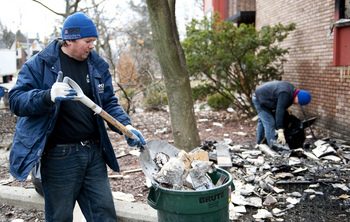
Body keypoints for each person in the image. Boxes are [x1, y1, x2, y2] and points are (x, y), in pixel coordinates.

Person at [8, 12, 146, 221]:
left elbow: (108, 102)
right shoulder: (40, 64)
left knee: (104, 215)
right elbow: (16, 100)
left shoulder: (97, 65)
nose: (92, 46)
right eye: (88, 41)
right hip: (59, 157)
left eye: (94, 41)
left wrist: (127, 126)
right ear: (69, 39)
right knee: (60, 217)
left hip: (93, 153)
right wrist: (47, 96)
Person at [252, 80, 311, 146]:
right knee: (269, 123)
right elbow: (279, 111)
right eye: (299, 102)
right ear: (297, 96)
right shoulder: (286, 94)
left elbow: (281, 99)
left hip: (264, 97)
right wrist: (280, 130)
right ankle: (273, 147)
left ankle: (259, 143)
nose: (297, 104)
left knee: (262, 120)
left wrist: (285, 106)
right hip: (259, 98)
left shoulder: (292, 90)